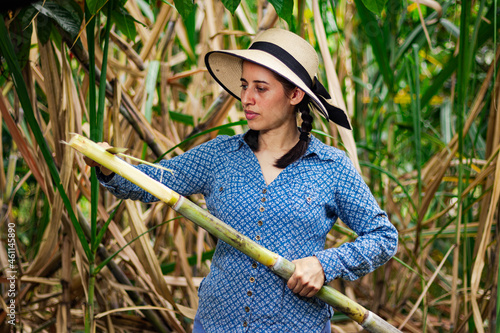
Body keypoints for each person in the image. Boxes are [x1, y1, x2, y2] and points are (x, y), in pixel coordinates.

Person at [86, 28, 398, 333]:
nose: (245, 98)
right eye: (244, 85)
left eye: (260, 88)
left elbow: (382, 237)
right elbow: (154, 181)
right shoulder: (219, 155)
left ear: (295, 94)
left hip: (297, 326)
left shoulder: (330, 166)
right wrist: (110, 167)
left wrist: (324, 264)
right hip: (217, 322)